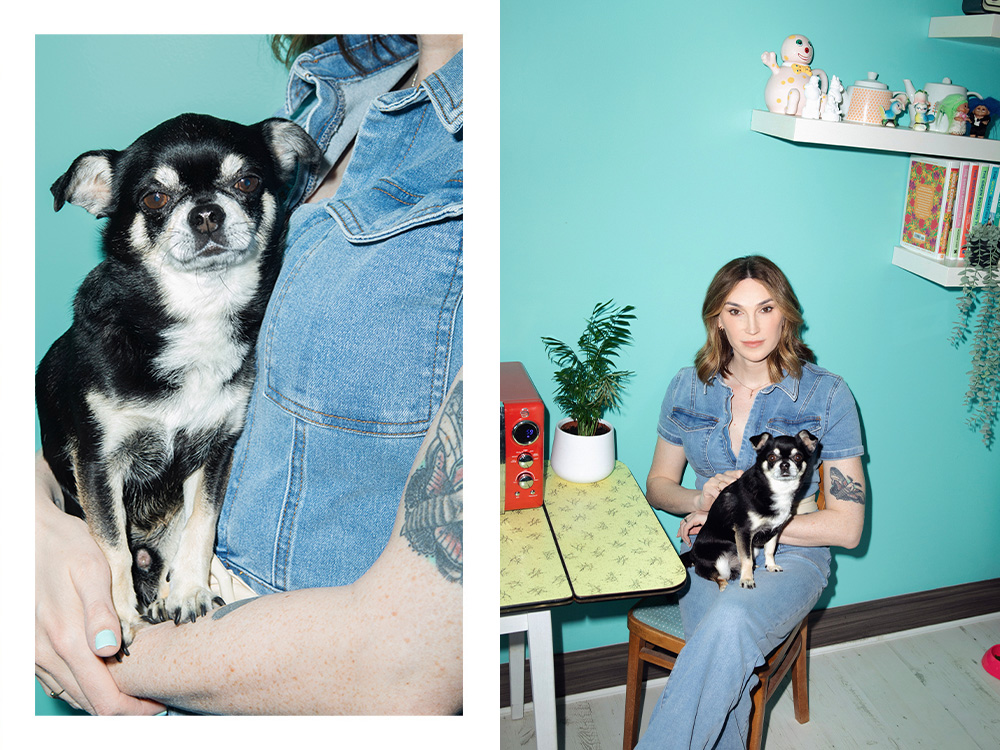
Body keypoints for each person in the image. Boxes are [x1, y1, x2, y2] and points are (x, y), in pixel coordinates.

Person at [35, 33, 463, 715]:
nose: (207, 215)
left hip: (267, 673)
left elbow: (406, 662)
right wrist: (34, 521)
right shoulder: (336, 87)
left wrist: (103, 647)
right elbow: (90, 423)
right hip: (161, 616)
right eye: (161, 199)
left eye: (240, 186)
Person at [636, 255, 865, 749]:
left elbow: (846, 528)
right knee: (726, 649)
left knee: (731, 622)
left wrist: (731, 514)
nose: (752, 326)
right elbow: (658, 485)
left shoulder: (826, 397)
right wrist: (702, 499)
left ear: (786, 313)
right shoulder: (687, 387)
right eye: (735, 311)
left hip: (793, 558)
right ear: (716, 318)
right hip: (714, 552)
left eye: (765, 308)